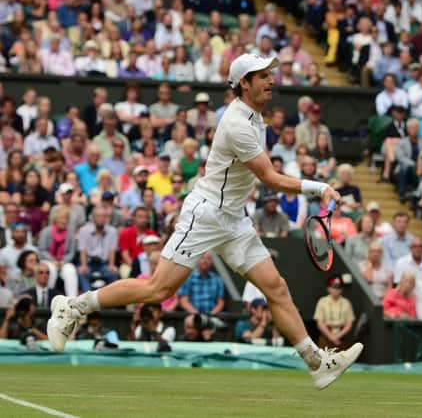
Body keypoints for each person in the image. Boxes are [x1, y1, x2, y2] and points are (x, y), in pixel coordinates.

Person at [47, 54, 362, 389]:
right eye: (264, 76)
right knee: (159, 289)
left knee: (276, 287)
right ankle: (74, 308)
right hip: (206, 214)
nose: (272, 80)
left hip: (234, 218)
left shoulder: (255, 117)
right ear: (244, 82)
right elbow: (269, 178)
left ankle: (317, 362)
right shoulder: (238, 124)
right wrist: (322, 187)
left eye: (271, 74)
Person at [314, 275, 355, 349]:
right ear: (328, 288)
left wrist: (337, 336)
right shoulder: (322, 301)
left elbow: (349, 323)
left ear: (342, 289)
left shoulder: (346, 302)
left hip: (342, 337)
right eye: (333, 287)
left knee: (343, 358)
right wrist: (331, 337)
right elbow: (319, 322)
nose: (336, 290)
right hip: (326, 337)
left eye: (338, 287)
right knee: (324, 358)